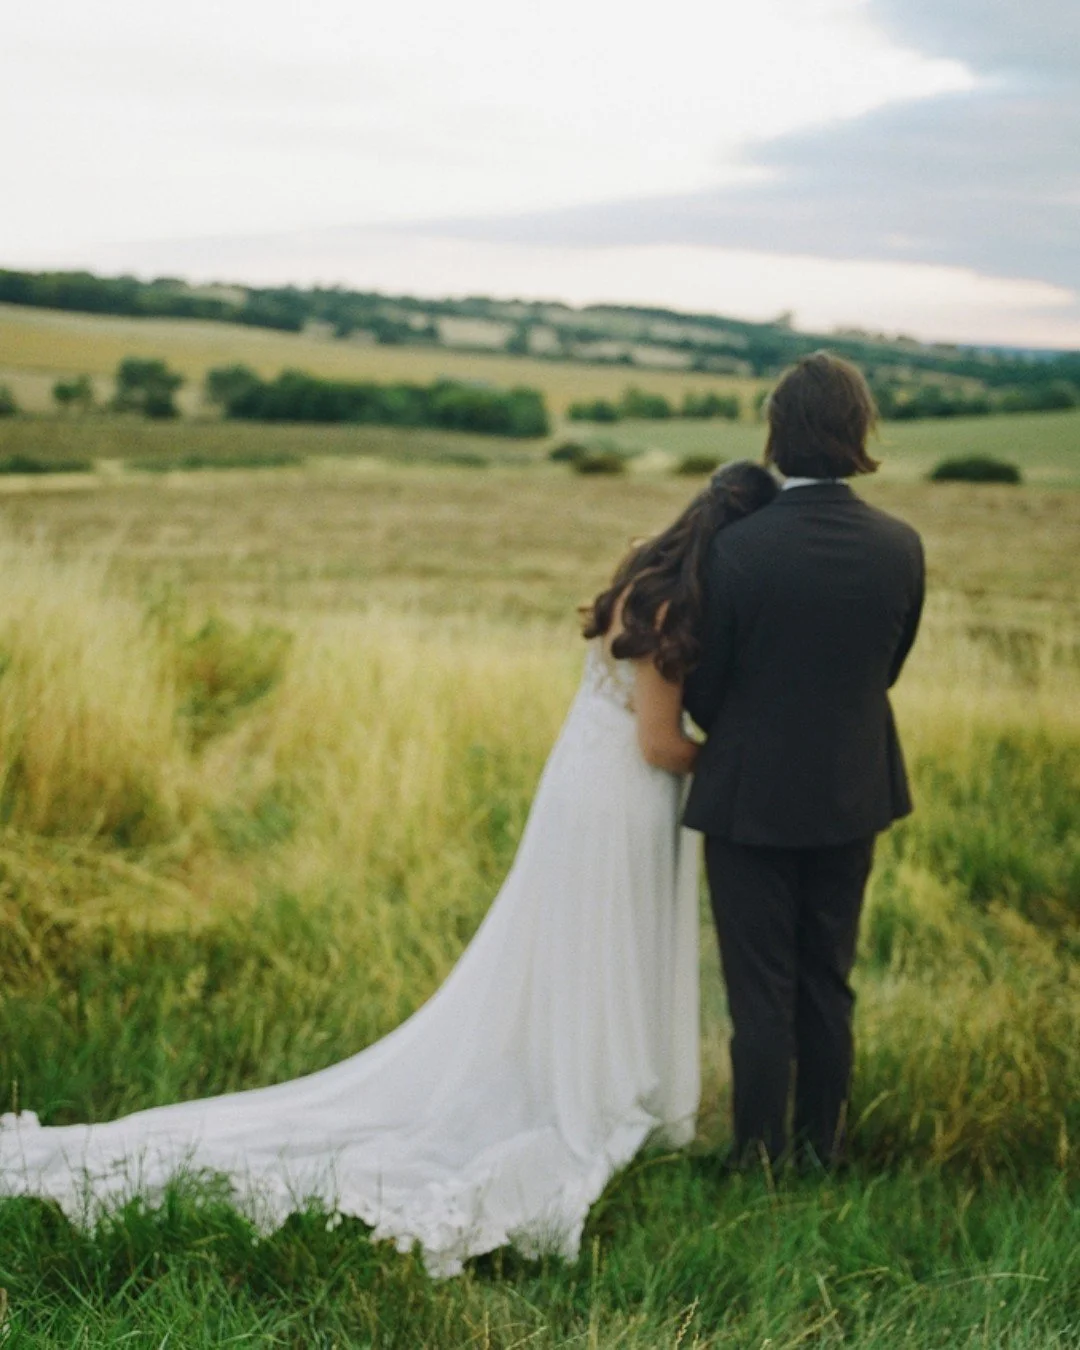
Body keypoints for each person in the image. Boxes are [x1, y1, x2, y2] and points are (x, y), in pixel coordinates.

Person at [0, 461, 778, 1277]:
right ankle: (584, 1083)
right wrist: (751, 758)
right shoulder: (669, 603)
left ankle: (578, 1061)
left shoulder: (643, 566)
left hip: (582, 776)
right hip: (620, 790)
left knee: (576, 941)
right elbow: (660, 743)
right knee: (602, 942)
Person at [683, 352, 925, 1170]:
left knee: (759, 993)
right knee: (830, 979)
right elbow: (885, 670)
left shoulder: (738, 548)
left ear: (777, 434)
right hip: (853, 790)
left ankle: (753, 1156)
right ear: (860, 433)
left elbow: (704, 692)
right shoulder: (900, 545)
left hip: (749, 797)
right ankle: (822, 1149)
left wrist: (751, 732)